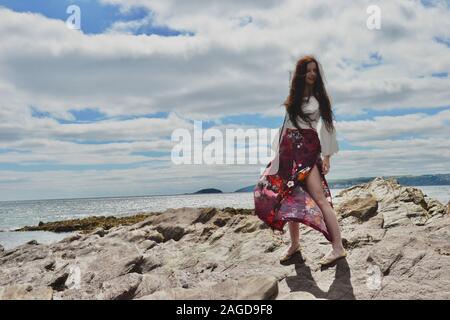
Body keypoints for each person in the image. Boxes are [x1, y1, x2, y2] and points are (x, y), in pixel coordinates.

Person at [253, 55, 347, 266]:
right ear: (301, 74)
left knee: (320, 199)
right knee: (288, 199)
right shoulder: (294, 98)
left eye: (315, 70)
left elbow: (328, 128)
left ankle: (338, 247)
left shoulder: (320, 97)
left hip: (306, 151)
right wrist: (278, 155)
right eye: (308, 70)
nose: (312, 74)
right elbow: (286, 125)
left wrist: (327, 157)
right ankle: (295, 245)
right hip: (288, 153)